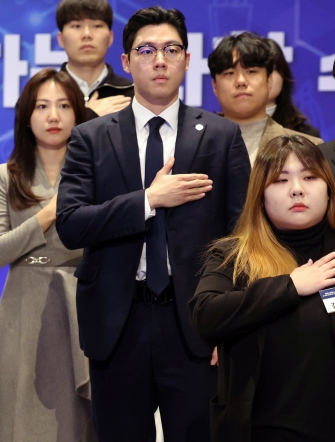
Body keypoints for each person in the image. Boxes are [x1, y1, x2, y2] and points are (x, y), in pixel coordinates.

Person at [56, 6, 251, 442]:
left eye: (171, 49)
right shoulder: (91, 136)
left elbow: (241, 238)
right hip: (116, 324)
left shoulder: (220, 136)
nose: (159, 60)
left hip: (196, 325)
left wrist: (231, 323)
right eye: (146, 50)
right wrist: (148, 200)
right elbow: (70, 224)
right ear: (125, 62)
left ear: (186, 58)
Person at [189, 135, 335, 442]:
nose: (297, 189)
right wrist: (290, 286)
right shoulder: (235, 255)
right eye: (281, 180)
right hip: (262, 429)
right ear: (261, 195)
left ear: (329, 189)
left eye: (310, 177)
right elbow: (205, 315)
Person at [0, 68, 95, 442]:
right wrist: (47, 215)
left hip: (82, 304)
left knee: (78, 424)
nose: (54, 116)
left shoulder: (96, 173)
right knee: (23, 422)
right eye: (42, 106)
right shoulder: (5, 175)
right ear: (27, 116)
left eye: (63, 105)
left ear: (78, 113)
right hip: (24, 306)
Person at [208, 32, 323, 164]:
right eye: (229, 73)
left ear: (269, 81)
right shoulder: (193, 146)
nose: (241, 81)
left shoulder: (309, 148)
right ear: (215, 86)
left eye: (251, 71)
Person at [56, 0, 134, 120]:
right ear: (60, 39)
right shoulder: (41, 95)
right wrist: (91, 114)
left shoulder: (132, 93)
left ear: (110, 37)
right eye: (76, 26)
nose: (87, 34)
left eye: (96, 26)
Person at [265, 38, 321, 138]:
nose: (265, 78)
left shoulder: (306, 135)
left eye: (271, 70)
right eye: (252, 71)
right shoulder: (229, 130)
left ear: (284, 74)